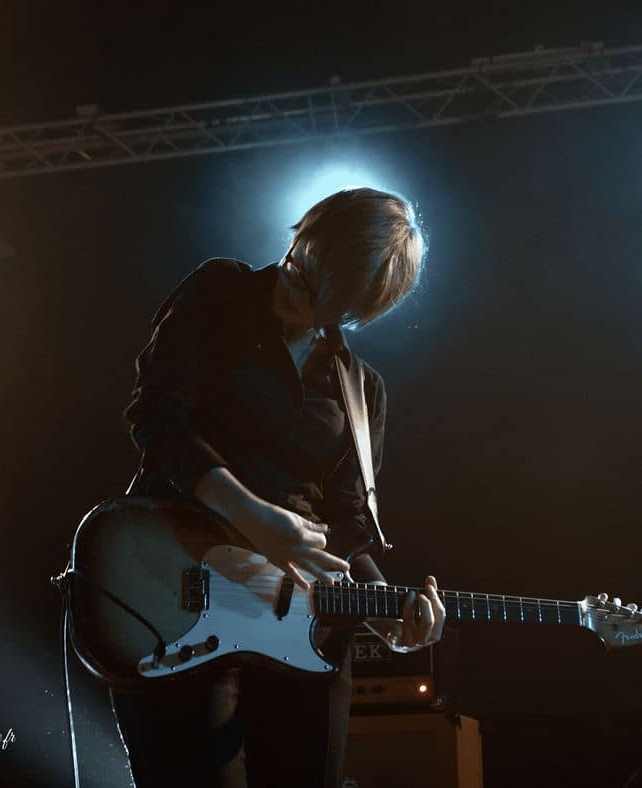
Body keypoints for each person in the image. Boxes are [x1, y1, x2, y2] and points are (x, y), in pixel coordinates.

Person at [111, 187, 446, 787]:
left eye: (319, 296)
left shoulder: (360, 389)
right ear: (304, 234)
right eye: (299, 264)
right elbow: (157, 420)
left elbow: (348, 523)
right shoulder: (218, 291)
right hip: (177, 589)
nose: (293, 287)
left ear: (354, 309)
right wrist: (254, 518)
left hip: (305, 629)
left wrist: (383, 611)